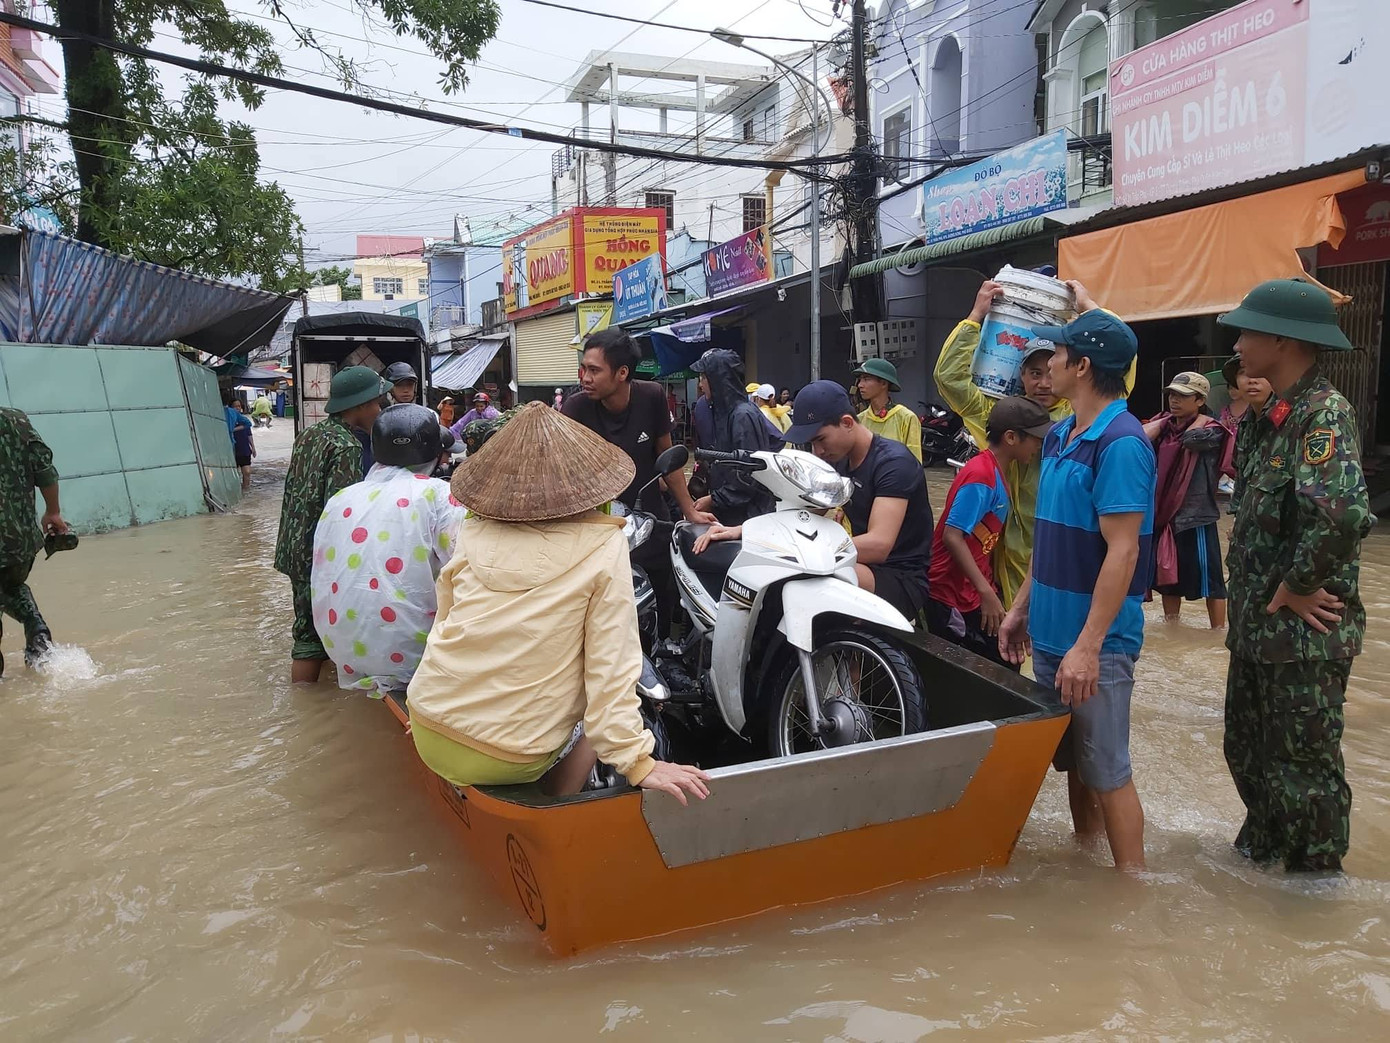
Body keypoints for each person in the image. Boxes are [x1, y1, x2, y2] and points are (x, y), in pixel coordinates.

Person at [406, 402, 711, 803]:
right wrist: (640, 763)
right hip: (509, 756)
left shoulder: (474, 530)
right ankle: (554, 806)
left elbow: (447, 619)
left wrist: (428, 703)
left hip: (429, 723)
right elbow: (613, 665)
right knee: (596, 703)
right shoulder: (603, 544)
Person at [1216, 278, 1373, 874]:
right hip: (1260, 628)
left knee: (1302, 768)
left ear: (1282, 339)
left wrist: (1302, 583)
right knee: (1247, 752)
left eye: (1248, 331)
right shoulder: (1271, 416)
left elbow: (1342, 514)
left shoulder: (1324, 414)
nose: (1237, 345)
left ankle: (1313, 886)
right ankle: (1262, 857)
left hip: (1305, 637)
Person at [997, 306, 1154, 871]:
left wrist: (1089, 646)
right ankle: (1085, 860)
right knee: (1077, 765)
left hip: (1097, 645)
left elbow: (1124, 550)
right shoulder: (1062, 432)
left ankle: (1130, 893)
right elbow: (1051, 535)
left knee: (1109, 771)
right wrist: (1019, 610)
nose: (1046, 367)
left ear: (1082, 367)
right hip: (1051, 634)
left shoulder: (1121, 443)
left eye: (1056, 356)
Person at [935, 279, 1132, 608]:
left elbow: (1120, 374)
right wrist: (975, 317)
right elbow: (949, 378)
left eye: (1050, 369)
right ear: (1020, 374)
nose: (1044, 382)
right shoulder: (1001, 416)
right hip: (1002, 563)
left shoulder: (1077, 416)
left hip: (1058, 555)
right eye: (1033, 373)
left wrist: (1090, 308)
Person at [703, 381, 933, 620]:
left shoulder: (894, 464)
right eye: (812, 443)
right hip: (860, 565)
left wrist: (802, 550)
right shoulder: (839, 460)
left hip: (900, 577)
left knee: (802, 580)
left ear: (846, 423)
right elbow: (805, 514)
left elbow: (878, 545)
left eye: (820, 439)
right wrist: (748, 531)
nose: (817, 452)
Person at [311, 405, 465, 696]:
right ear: (434, 454)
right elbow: (466, 569)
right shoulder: (440, 496)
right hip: (412, 654)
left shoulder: (341, 498)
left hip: (343, 649)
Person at [273, 366, 392, 684]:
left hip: (293, 547)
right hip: (317, 557)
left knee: (311, 625)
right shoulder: (347, 446)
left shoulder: (310, 434)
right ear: (362, 404)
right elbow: (342, 513)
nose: (379, 410)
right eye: (377, 403)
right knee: (310, 639)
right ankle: (307, 713)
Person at [925, 397, 1051, 665]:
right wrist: (988, 594)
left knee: (1006, 663)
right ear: (1011, 438)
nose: (1039, 445)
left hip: (971, 591)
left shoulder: (996, 470)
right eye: (1035, 438)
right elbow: (952, 535)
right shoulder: (981, 475)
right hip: (949, 595)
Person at [563, 329, 712, 526]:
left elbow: (668, 458)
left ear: (622, 372)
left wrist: (690, 512)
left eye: (594, 370)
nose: (585, 378)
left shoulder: (652, 396)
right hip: (599, 525)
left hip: (651, 520)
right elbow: (562, 473)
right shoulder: (575, 408)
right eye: (584, 369)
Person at [1143, 372, 1230, 627]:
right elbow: (1137, 438)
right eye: (1172, 395)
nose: (1174, 401)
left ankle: (1217, 633)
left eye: (1183, 396)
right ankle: (1173, 627)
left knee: (1211, 581)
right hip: (1166, 516)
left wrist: (1194, 421)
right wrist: (1162, 424)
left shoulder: (1212, 430)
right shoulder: (1164, 425)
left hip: (1197, 516)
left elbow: (1192, 440)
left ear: (1200, 400)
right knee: (1169, 580)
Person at [0, 407, 71, 676]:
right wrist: (53, 512)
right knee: (11, 585)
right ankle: (36, 628)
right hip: (21, 541)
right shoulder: (16, 420)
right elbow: (44, 468)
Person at [691, 349, 783, 525]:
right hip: (732, 512)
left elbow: (748, 476)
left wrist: (714, 499)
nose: (700, 385)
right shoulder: (724, 412)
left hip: (747, 518)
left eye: (703, 378)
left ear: (718, 379)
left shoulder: (742, 415)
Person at [854, 358, 923, 464]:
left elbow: (914, 462)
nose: (860, 385)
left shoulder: (906, 418)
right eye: (860, 379)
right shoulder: (859, 420)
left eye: (866, 379)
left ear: (883, 383)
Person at [231, 402, 255, 493]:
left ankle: (246, 490)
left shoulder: (244, 420)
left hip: (244, 449)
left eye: (239, 406)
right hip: (233, 449)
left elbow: (249, 435)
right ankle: (237, 491)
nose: (237, 408)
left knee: (247, 472)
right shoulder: (229, 420)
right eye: (235, 406)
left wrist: (253, 447)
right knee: (234, 473)